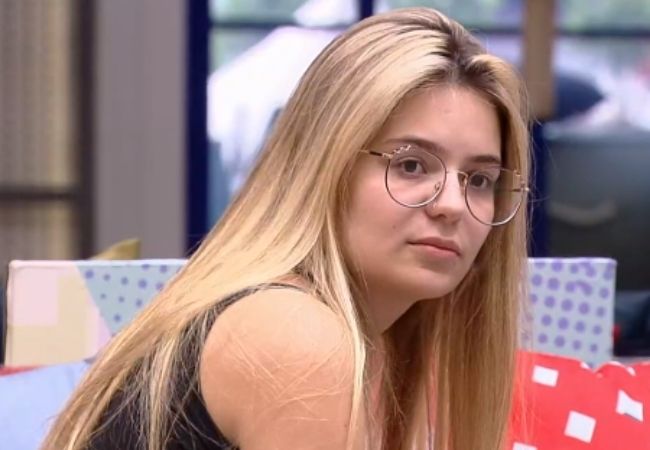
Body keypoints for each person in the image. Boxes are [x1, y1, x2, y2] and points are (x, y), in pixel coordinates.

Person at [42, 7, 530, 450]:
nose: (452, 206)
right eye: (410, 166)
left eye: (480, 179)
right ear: (324, 166)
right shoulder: (297, 335)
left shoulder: (370, 338)